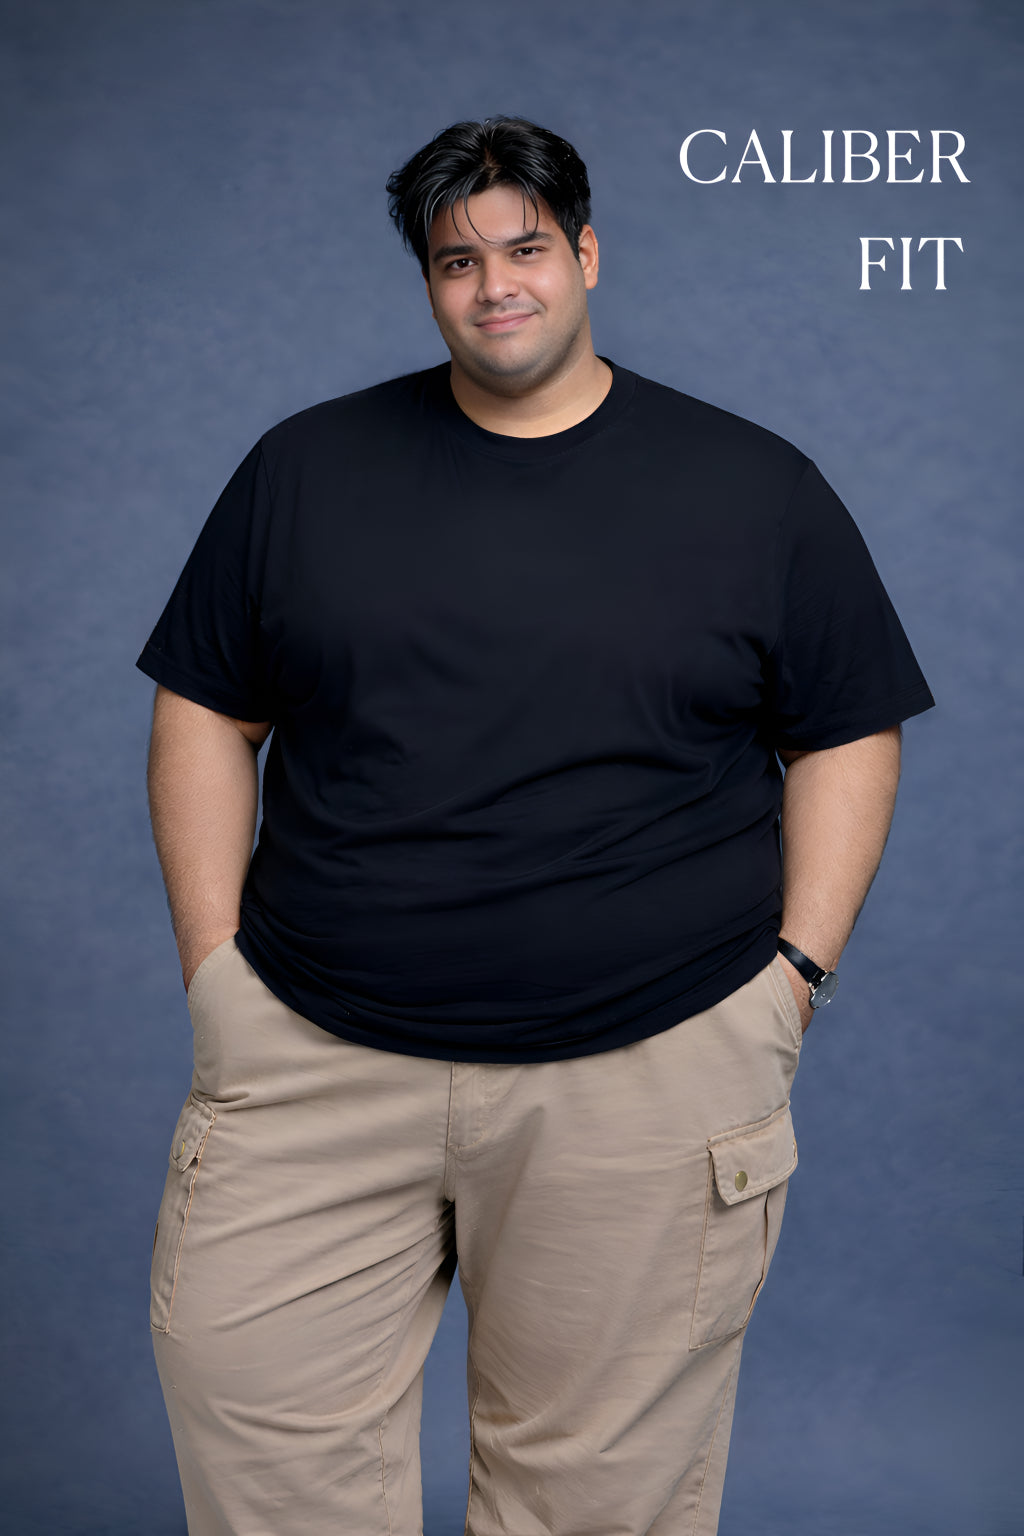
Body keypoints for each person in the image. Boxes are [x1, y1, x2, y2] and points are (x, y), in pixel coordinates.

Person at [138, 116, 934, 1536]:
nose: (496, 285)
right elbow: (206, 707)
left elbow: (847, 730)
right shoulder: (304, 471)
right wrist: (214, 969)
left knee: (596, 1505)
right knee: (262, 1449)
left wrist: (793, 979)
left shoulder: (754, 487)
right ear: (428, 282)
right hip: (316, 1058)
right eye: (459, 261)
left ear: (587, 256)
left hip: (647, 1070)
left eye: (526, 249)